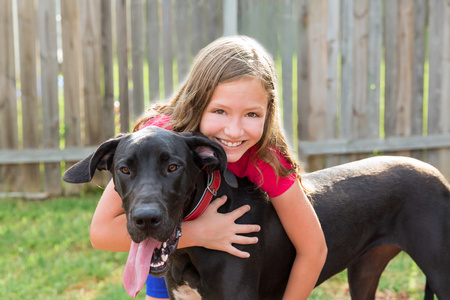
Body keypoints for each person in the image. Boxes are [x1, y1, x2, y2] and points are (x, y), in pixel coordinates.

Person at [90, 35, 327, 300]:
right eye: (220, 111)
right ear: (197, 104)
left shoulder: (266, 160)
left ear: (268, 112)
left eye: (252, 114)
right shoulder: (159, 141)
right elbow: (101, 232)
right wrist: (201, 233)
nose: (234, 131)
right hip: (161, 245)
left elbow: (313, 248)